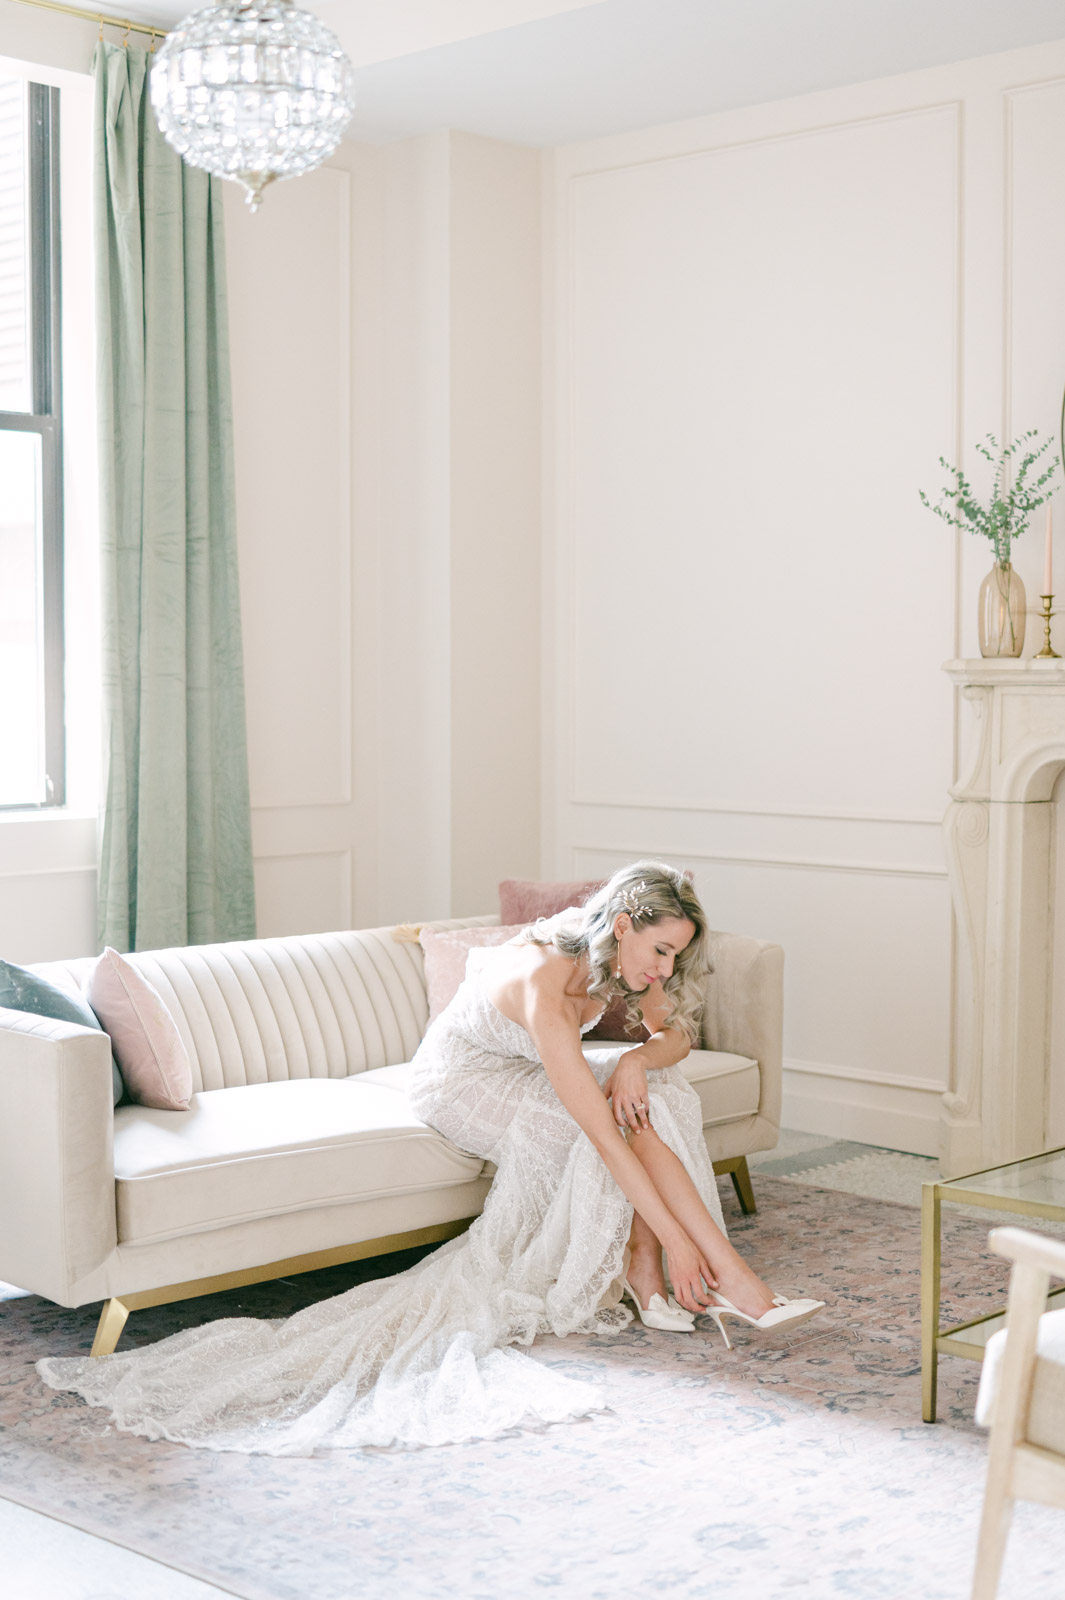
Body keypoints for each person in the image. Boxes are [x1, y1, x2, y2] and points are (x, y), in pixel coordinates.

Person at [37, 861, 822, 1456]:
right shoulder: (545, 980)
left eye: (674, 956)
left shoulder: (631, 966)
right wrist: (674, 1226)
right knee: (594, 1131)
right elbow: (598, 1133)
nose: (663, 970)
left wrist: (634, 1062)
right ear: (621, 923)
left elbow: (672, 1036)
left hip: (533, 1071)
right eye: (659, 950)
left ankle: (689, 1278)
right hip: (462, 1080)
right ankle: (702, 1272)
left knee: (665, 1097)